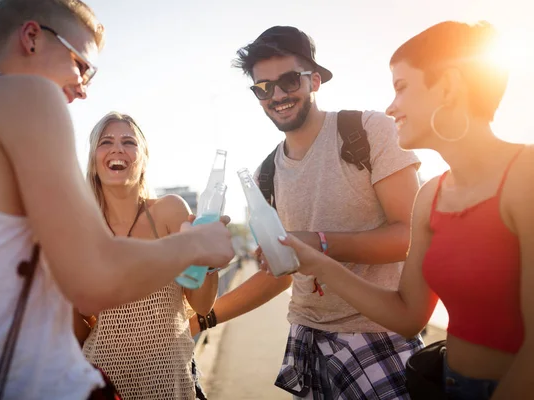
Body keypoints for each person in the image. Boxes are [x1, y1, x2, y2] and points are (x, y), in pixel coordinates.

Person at [0, 0, 233, 398]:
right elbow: (95, 278)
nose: (82, 88)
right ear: (32, 38)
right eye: (81, 65)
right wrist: (199, 243)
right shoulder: (26, 96)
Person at [277, 20, 533, 400]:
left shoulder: (524, 177)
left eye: (401, 87)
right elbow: (409, 315)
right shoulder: (431, 195)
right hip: (446, 385)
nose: (390, 106)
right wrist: (315, 259)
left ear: (447, 87)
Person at [191, 26, 423, 399]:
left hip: (377, 334)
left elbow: (409, 237)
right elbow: (282, 274)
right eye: (263, 87)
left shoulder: (367, 131)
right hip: (305, 338)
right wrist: (201, 319)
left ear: (314, 80)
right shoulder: (267, 173)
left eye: (288, 81)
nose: (277, 95)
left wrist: (318, 244)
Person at [74, 111, 218, 400]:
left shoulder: (168, 211)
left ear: (142, 159)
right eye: (106, 142)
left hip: (171, 379)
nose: (118, 148)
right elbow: (78, 327)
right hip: (103, 381)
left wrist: (209, 258)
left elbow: (201, 306)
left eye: (129, 141)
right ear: (93, 160)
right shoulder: (79, 228)